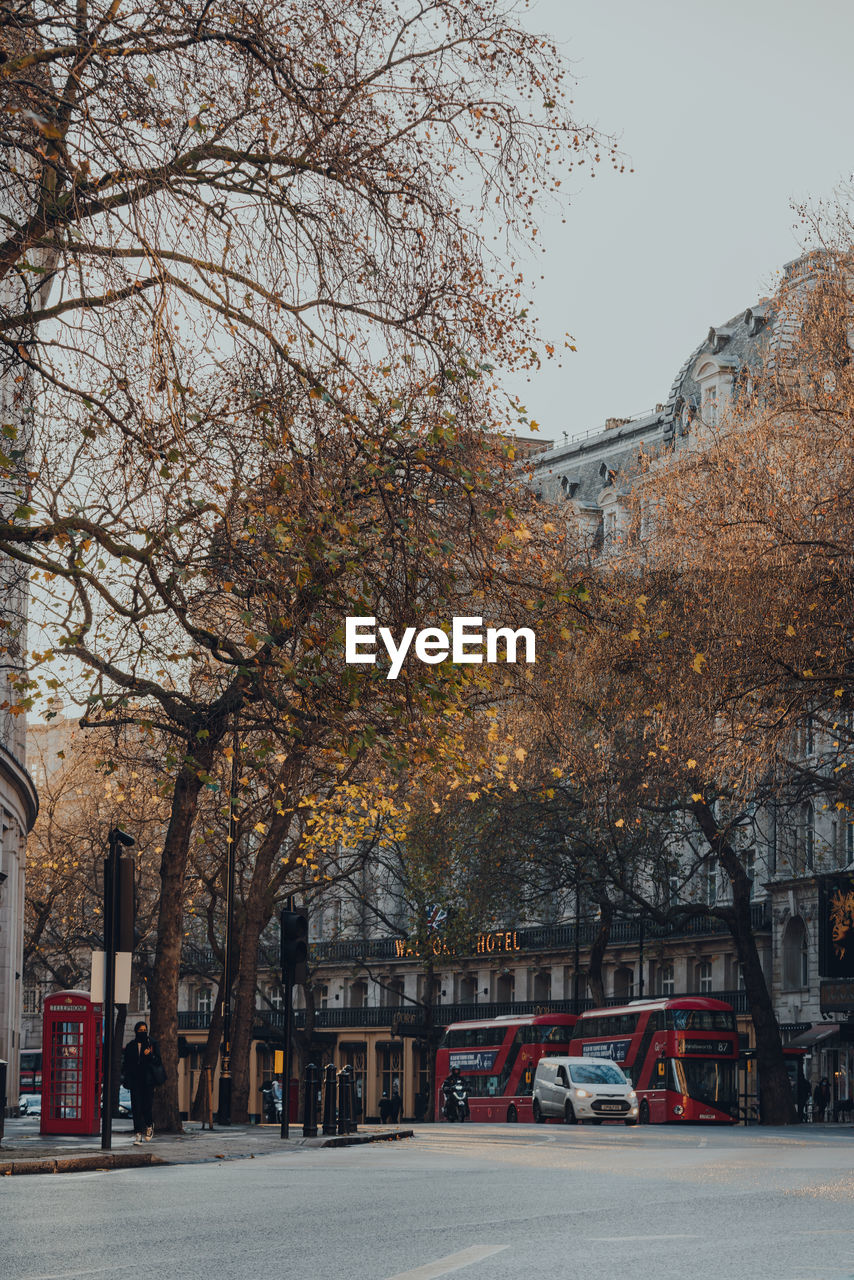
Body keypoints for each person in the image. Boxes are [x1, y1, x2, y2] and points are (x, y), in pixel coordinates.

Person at [121, 1021, 164, 1144]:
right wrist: (126, 1078)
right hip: (135, 1081)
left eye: (145, 1029)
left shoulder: (152, 1044)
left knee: (147, 1106)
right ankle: (138, 1134)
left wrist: (150, 1055)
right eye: (140, 1030)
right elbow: (126, 1064)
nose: (143, 1032)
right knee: (136, 1108)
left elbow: (158, 1062)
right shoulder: (131, 1046)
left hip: (148, 1081)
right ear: (136, 1031)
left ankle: (149, 1125)